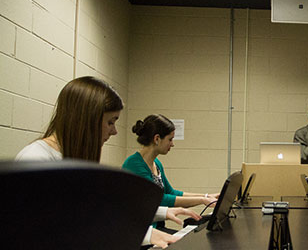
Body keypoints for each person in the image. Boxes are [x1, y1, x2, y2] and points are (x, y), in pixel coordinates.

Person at [15, 76, 194, 249]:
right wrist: (144, 234)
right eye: (110, 122)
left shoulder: (73, 160)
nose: (115, 131)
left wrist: (161, 215)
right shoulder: (36, 161)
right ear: (86, 121)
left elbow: (94, 213)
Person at [123, 114, 219, 209]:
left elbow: (171, 193)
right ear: (157, 139)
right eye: (170, 139)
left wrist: (206, 196)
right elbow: (158, 199)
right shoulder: (134, 165)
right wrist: (202, 200)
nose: (172, 144)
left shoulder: (156, 163)